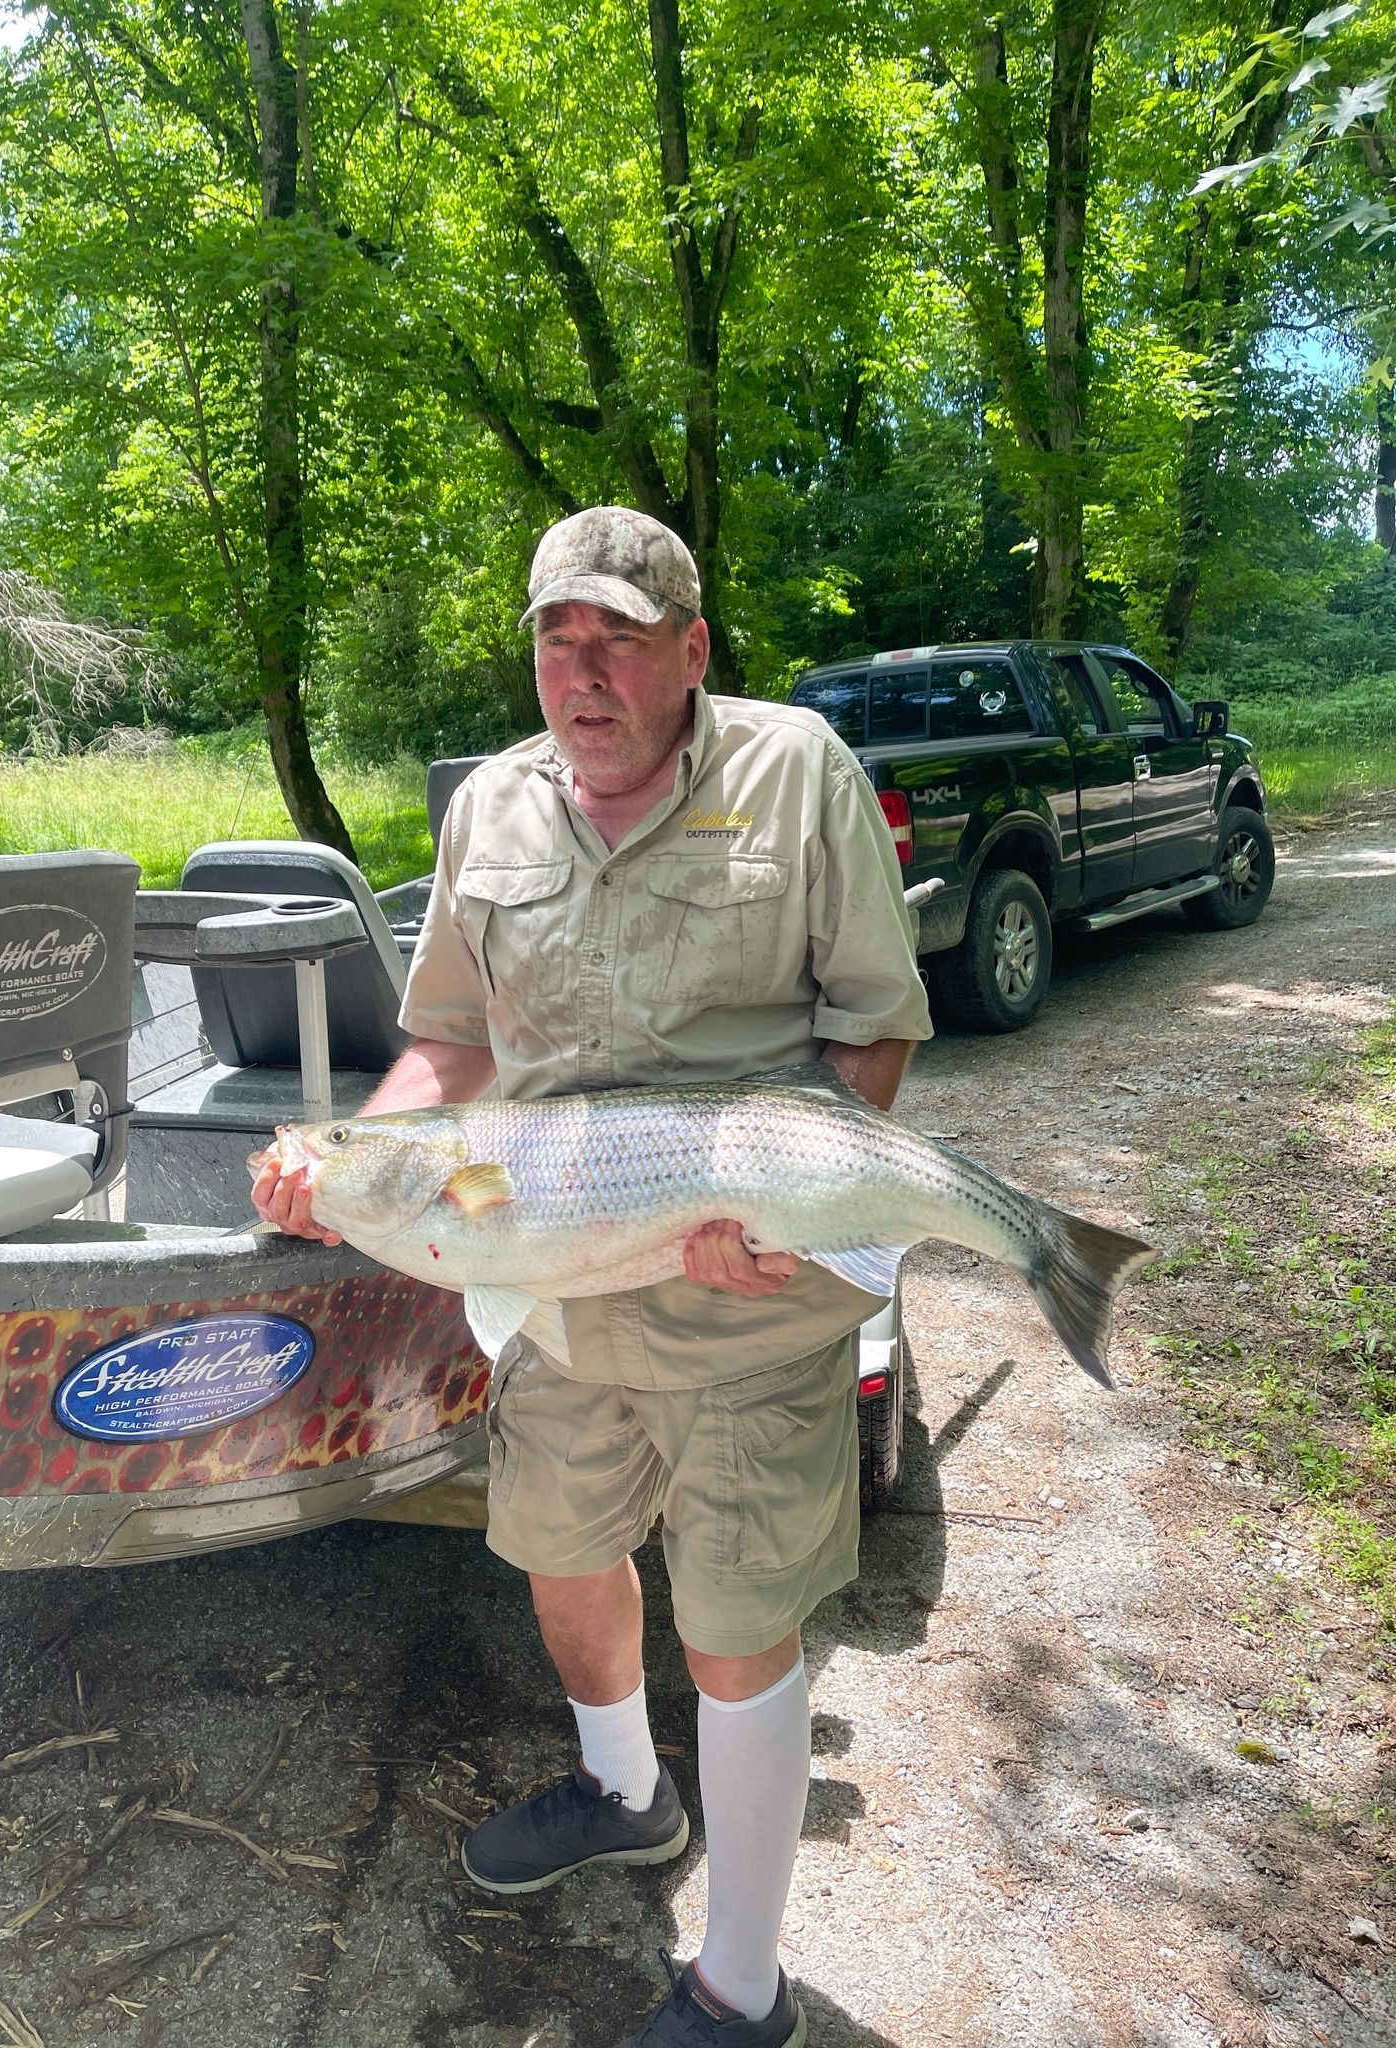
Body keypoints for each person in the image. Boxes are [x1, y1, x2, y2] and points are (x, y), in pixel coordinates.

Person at [251, 506, 933, 2047]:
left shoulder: (796, 770)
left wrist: (783, 1212)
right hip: (555, 1271)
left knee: (739, 1617)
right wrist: (347, 1161)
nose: (586, 670)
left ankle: (740, 1989)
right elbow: (449, 1040)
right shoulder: (490, 806)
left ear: (692, 653)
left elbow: (873, 1027)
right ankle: (627, 1794)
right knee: (561, 1551)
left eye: (621, 639)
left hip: (741, 1285)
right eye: (561, 639)